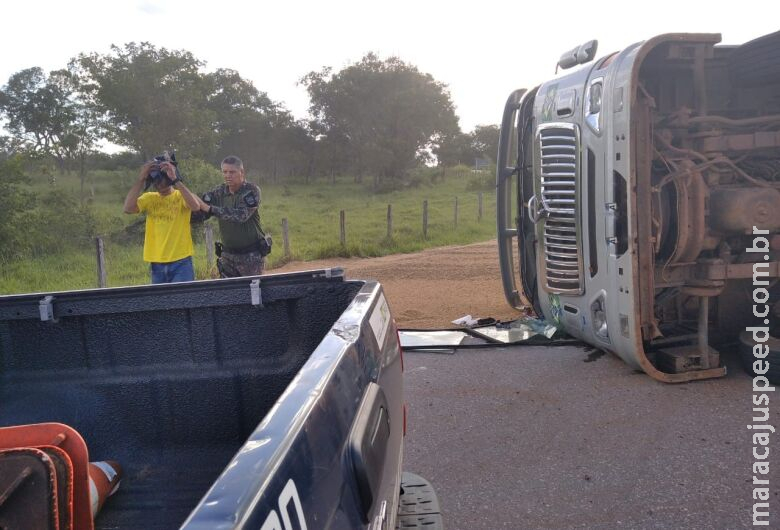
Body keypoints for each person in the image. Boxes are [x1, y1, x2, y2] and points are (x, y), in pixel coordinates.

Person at [123, 156, 202, 283]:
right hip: (157, 262)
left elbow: (195, 206)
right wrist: (141, 178)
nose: (160, 183)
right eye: (156, 180)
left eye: (163, 178)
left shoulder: (180, 195)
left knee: (183, 301)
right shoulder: (149, 198)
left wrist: (175, 179)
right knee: (161, 302)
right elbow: (128, 208)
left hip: (181, 262)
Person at [199, 156, 269, 277]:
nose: (227, 175)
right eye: (224, 172)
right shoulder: (219, 191)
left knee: (253, 293)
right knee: (229, 294)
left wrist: (211, 209)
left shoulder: (251, 191)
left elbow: (241, 216)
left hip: (250, 255)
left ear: (241, 172)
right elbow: (201, 210)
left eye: (232, 172)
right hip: (227, 256)